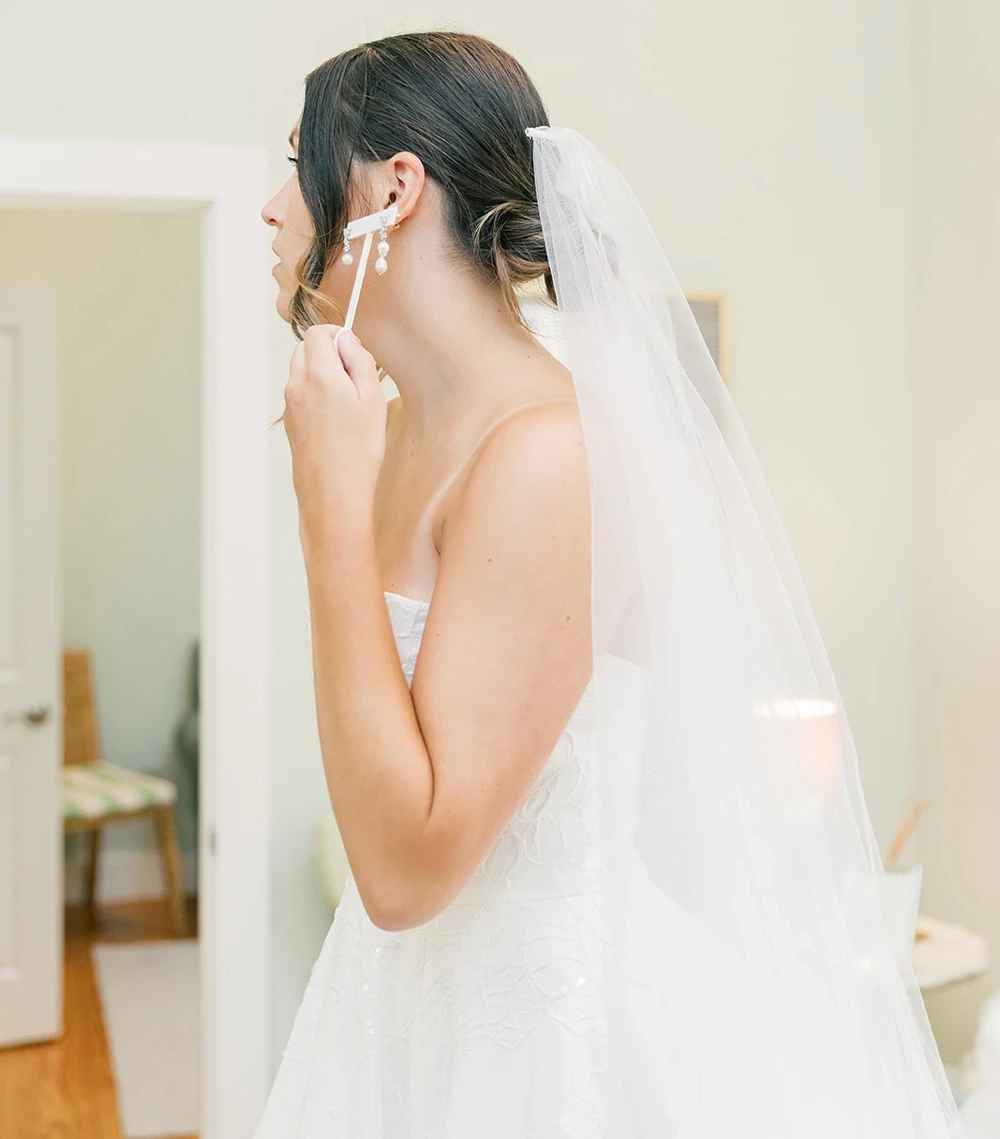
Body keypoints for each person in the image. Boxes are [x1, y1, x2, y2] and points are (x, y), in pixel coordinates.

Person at [257, 30, 964, 1139]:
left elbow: (402, 870)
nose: (271, 210)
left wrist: (324, 517)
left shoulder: (548, 452)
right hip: (395, 1010)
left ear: (392, 190)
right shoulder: (388, 435)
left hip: (542, 1050)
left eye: (295, 165)